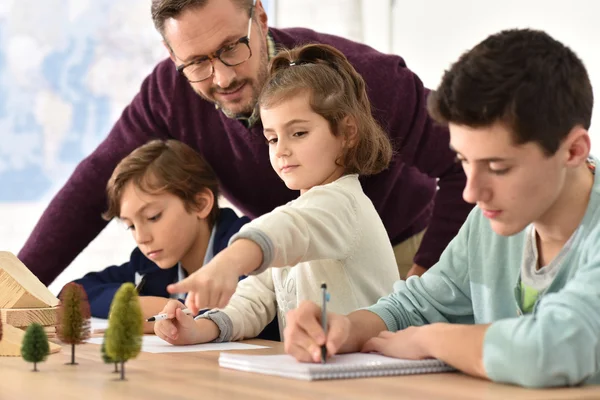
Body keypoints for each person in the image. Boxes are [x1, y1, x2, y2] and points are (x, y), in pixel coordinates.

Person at [19, 0, 473, 286]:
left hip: (399, 249)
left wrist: (425, 277)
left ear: (259, 16)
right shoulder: (168, 92)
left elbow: (465, 163)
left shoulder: (363, 78)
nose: (222, 76)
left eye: (232, 47)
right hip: (283, 258)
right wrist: (14, 290)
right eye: (195, 62)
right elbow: (93, 183)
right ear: (172, 57)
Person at [282, 29, 600, 388]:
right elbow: (415, 305)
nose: (471, 192)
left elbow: (553, 351)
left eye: (498, 167)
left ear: (573, 151)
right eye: (464, 160)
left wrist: (428, 340)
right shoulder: (490, 218)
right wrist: (345, 327)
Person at [152, 43, 400, 345]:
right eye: (271, 138)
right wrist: (199, 328)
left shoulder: (342, 204)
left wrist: (229, 262)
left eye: (298, 133)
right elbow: (253, 300)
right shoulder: (302, 217)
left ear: (347, 132)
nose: (281, 150)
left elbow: (287, 227)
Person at [67, 139, 278, 339]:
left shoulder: (248, 246)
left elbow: (241, 309)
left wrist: (172, 314)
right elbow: (74, 292)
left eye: (153, 217)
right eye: (131, 225)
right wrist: (138, 307)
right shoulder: (149, 264)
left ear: (200, 204)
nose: (141, 237)